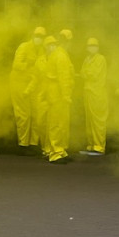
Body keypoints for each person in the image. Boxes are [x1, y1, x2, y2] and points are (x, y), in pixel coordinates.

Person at [10, 27, 46, 153]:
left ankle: (33, 143)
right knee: (23, 115)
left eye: (41, 36)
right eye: (37, 35)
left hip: (33, 85)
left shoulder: (42, 50)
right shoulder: (24, 47)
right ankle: (23, 144)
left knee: (36, 115)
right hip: (19, 84)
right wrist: (30, 64)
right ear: (32, 35)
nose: (39, 38)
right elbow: (16, 65)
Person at [40, 33, 74, 163]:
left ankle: (59, 150)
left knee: (57, 123)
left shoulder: (58, 54)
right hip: (58, 94)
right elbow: (63, 77)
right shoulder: (61, 56)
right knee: (56, 123)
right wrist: (66, 95)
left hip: (55, 93)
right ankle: (56, 153)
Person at [81, 37, 110, 156]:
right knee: (89, 121)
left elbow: (94, 75)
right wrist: (87, 73)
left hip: (98, 93)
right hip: (88, 93)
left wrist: (87, 73)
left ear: (97, 47)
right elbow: (83, 73)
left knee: (98, 121)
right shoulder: (87, 59)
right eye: (89, 46)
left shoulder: (100, 59)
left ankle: (99, 147)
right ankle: (91, 145)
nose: (91, 48)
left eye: (94, 46)